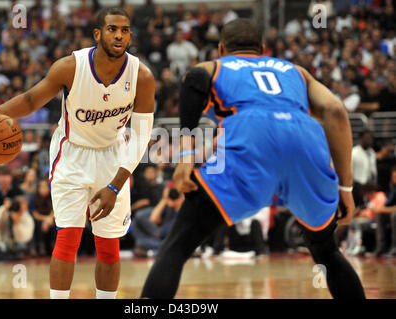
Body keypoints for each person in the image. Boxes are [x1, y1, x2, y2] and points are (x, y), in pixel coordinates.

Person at [141, 18, 366, 299]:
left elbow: (194, 78)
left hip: (252, 131)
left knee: (177, 245)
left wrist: (186, 157)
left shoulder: (217, 65)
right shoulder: (295, 70)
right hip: (304, 133)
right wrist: (345, 188)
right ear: (262, 49)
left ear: (222, 48)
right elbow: (334, 109)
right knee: (326, 250)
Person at [0, 7, 155, 299]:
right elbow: (32, 99)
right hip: (72, 154)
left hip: (114, 155)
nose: (119, 35)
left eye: (125, 30)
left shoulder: (141, 75)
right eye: (112, 29)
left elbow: (142, 136)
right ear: (98, 34)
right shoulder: (71, 66)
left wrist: (114, 186)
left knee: (109, 245)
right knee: (68, 237)